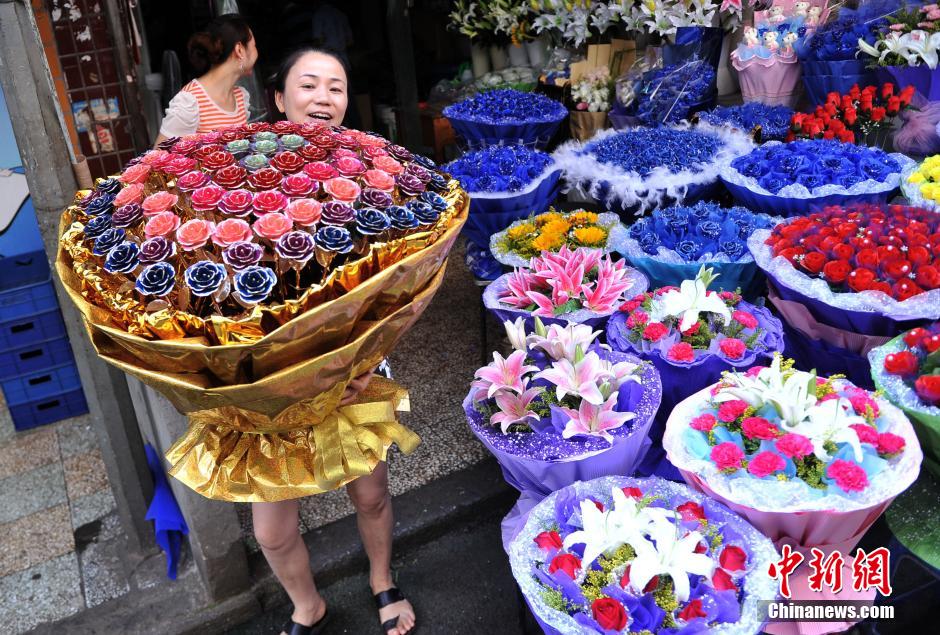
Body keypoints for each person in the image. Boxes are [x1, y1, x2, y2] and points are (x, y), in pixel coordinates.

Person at [255, 47, 416, 635]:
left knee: (370, 493)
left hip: (357, 359)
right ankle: (308, 605)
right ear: (278, 98)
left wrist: (370, 359)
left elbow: (398, 282)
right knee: (272, 529)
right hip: (271, 373)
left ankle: (381, 579)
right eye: (309, 85)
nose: (324, 98)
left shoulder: (371, 173)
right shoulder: (240, 177)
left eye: (336, 88)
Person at [154, 14, 258, 144]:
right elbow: (159, 158)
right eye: (254, 45)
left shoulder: (241, 97)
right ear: (239, 50)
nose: (257, 52)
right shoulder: (190, 102)